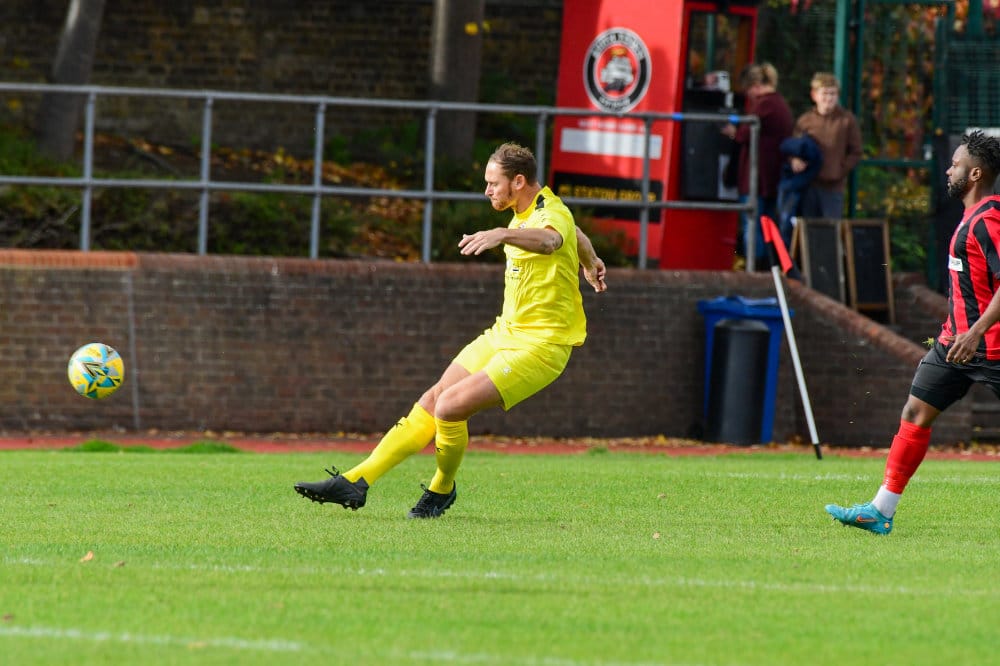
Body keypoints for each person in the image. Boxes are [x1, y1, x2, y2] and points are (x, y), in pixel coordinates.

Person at [294, 142, 608, 519]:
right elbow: (573, 233)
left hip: (542, 346)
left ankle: (441, 489)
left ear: (519, 181)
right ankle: (356, 481)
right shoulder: (529, 209)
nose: (487, 191)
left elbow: (553, 239)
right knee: (433, 398)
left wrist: (500, 234)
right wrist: (589, 261)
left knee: (450, 408)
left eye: (493, 183)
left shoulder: (545, 213)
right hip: (504, 333)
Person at [825, 130, 1000, 535]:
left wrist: (975, 331)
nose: (947, 168)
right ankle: (880, 511)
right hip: (953, 345)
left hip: (988, 344)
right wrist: (962, 332)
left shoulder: (989, 221)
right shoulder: (970, 218)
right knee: (915, 412)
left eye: (955, 163)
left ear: (974, 173)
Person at [722, 62, 794, 268]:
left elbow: (745, 134)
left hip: (757, 178)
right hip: (771, 177)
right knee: (767, 224)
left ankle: (756, 269)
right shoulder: (780, 104)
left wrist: (733, 132)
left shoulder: (764, 105)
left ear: (754, 86)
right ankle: (769, 268)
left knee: (753, 226)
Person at [790, 72, 863, 219]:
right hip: (808, 185)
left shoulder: (847, 120)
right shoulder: (805, 121)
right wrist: (794, 160)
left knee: (830, 232)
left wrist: (840, 170)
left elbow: (856, 151)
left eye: (833, 94)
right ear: (814, 95)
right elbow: (793, 148)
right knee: (808, 231)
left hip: (833, 188)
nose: (829, 98)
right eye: (825, 93)